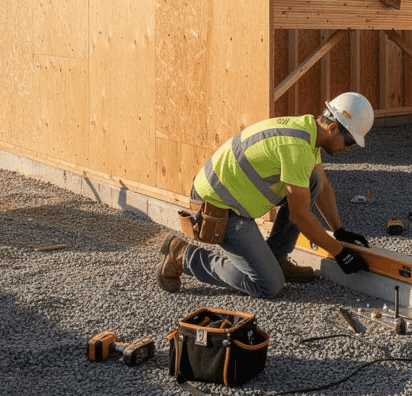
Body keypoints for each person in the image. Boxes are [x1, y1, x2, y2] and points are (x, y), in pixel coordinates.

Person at [157, 92, 375, 298]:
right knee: (268, 284)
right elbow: (299, 216)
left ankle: (276, 259)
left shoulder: (309, 132)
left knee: (313, 181)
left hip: (234, 195)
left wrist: (339, 231)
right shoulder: (297, 147)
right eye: (350, 142)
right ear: (333, 127)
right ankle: (183, 255)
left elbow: (323, 187)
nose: (349, 148)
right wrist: (339, 252)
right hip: (218, 204)